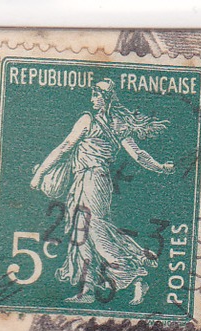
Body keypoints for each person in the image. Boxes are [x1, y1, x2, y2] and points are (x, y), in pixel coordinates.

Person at [29, 78, 176, 306]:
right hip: (87, 180)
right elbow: (138, 155)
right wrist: (160, 168)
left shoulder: (88, 120)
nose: (91, 99)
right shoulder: (117, 124)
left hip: (92, 180)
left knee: (94, 229)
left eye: (95, 95)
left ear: (104, 97)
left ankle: (135, 268)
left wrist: (40, 174)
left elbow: (65, 147)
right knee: (82, 236)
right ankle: (88, 290)